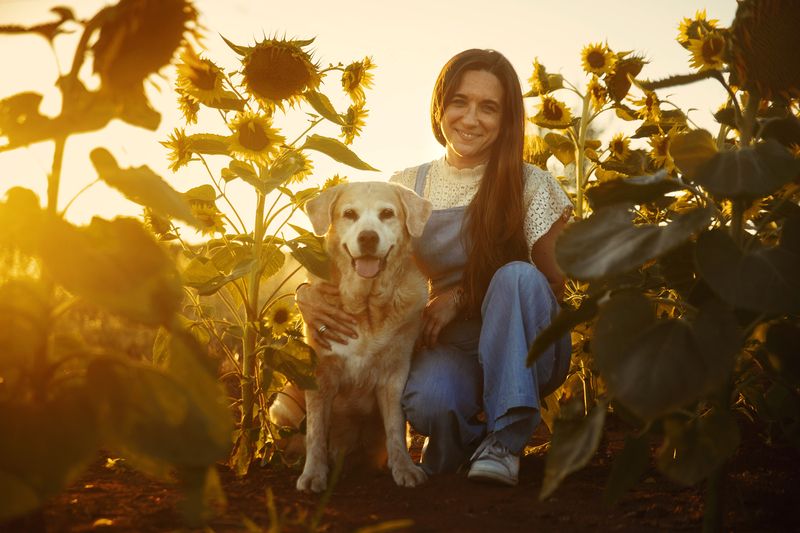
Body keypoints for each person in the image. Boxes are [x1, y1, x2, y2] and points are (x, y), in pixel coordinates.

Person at [295, 48, 572, 486]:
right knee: (427, 400)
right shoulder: (407, 186)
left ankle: (504, 444)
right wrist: (306, 295)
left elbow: (552, 284)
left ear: (506, 120)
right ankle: (462, 443)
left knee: (516, 275)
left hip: (527, 341)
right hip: (449, 346)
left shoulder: (531, 184)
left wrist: (463, 297)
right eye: (460, 101)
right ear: (440, 105)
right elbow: (354, 256)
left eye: (489, 107)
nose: (470, 118)